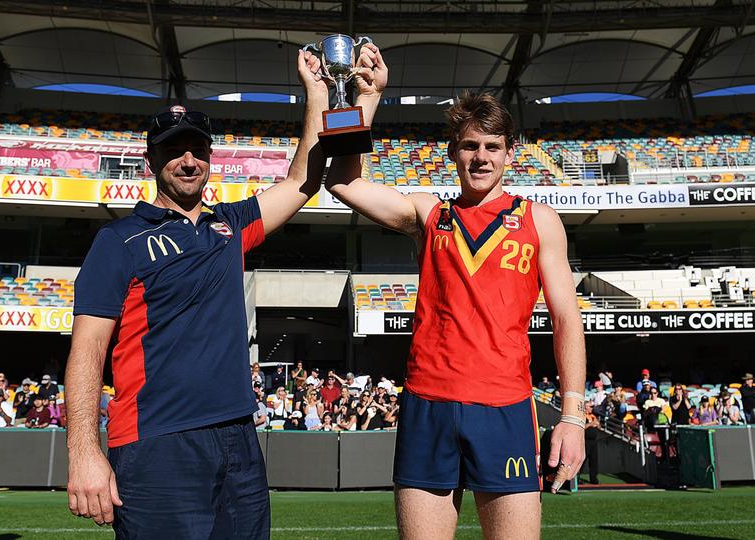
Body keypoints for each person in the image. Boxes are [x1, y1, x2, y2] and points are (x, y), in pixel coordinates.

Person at [324, 44, 586, 537]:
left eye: (491, 146)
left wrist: (573, 416)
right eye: (469, 146)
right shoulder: (430, 214)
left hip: (506, 407)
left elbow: (567, 320)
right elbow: (343, 181)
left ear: (510, 152)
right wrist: (369, 97)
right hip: (429, 404)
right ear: (453, 153)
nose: (480, 157)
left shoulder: (540, 222)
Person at [64, 49, 330, 535]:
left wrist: (316, 93)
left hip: (238, 438)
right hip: (156, 445)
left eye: (197, 150)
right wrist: (84, 452)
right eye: (173, 150)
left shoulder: (228, 225)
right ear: (151, 161)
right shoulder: (117, 242)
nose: (188, 161)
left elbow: (302, 181)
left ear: (210, 157)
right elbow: (86, 351)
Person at [582, 401, 601, 484]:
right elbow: (581, 427)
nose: (591, 408)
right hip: (585, 441)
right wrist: (590, 424)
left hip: (594, 441)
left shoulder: (593, 416)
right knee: (582, 460)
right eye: (590, 406)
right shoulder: (582, 416)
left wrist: (597, 424)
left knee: (594, 461)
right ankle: (577, 478)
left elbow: (599, 427)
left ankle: (593, 478)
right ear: (585, 407)